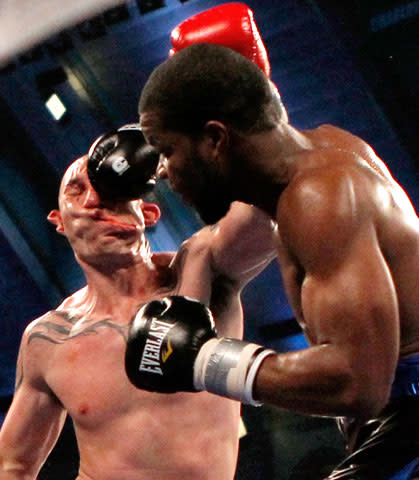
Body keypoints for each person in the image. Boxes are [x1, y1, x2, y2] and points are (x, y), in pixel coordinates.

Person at [129, 42, 419, 479]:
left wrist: (202, 359)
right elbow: (219, 240)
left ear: (214, 138)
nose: (165, 171)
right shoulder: (308, 166)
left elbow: (358, 383)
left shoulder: (319, 199)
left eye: (167, 149)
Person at [0, 152, 278, 480]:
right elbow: (13, 465)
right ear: (59, 220)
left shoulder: (203, 272)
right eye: (77, 190)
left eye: (112, 192)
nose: (93, 201)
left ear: (147, 213)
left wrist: (170, 152)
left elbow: (270, 205)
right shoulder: (49, 338)